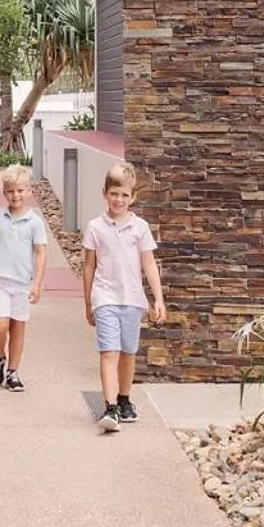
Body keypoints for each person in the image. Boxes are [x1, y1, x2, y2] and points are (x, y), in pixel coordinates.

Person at [82, 162, 166, 434]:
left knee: (128, 353)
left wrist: (158, 299)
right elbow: (89, 267)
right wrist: (88, 301)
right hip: (105, 297)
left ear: (133, 197)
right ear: (105, 193)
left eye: (124, 195)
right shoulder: (95, 227)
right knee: (110, 353)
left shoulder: (140, 227)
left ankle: (124, 398)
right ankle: (109, 407)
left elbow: (149, 264)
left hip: (132, 299)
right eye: (114, 193)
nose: (119, 200)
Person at [0, 163, 48, 392]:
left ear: (28, 191)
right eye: (10, 191)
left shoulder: (35, 222)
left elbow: (40, 252)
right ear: (4, 192)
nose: (15, 195)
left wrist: (37, 284)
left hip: (22, 282)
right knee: (0, 325)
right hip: (0, 279)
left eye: (20, 190)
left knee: (18, 327)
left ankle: (13, 371)